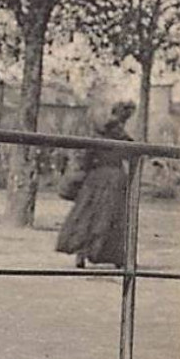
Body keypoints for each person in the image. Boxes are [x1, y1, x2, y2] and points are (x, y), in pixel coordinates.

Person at [55, 101, 135, 268]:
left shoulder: (98, 132)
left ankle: (82, 253)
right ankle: (114, 256)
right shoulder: (123, 136)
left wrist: (82, 171)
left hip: (97, 177)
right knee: (111, 217)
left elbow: (86, 158)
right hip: (115, 177)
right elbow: (132, 155)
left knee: (88, 215)